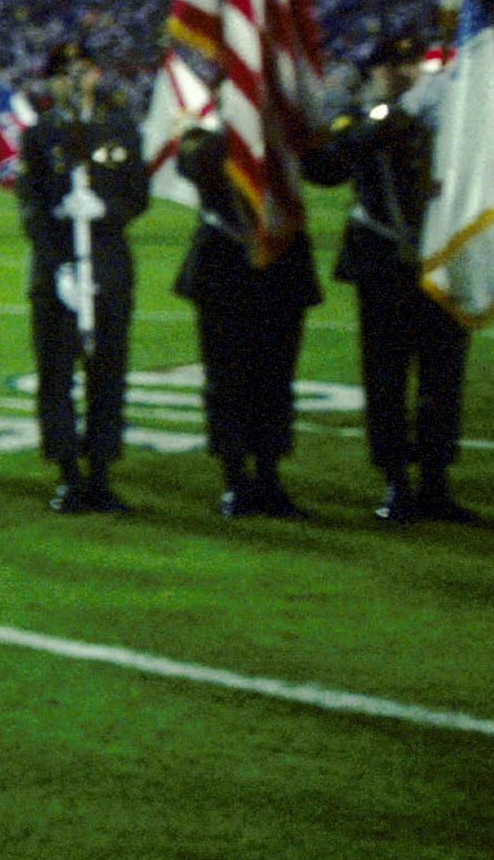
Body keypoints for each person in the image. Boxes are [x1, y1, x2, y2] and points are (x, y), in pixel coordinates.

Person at [301, 37, 473, 523]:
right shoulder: (362, 120)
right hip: (382, 261)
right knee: (386, 375)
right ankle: (395, 479)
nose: (398, 73)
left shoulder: (445, 115)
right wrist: (366, 123)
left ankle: (436, 480)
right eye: (386, 67)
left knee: (443, 373)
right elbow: (325, 169)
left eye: (405, 64)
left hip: (441, 254)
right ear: (373, 73)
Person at [16, 42, 149, 514]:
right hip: (56, 270)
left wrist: (106, 210)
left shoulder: (119, 128)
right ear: (51, 81)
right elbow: (29, 206)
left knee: (107, 374)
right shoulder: (38, 134)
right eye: (62, 72)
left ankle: (102, 472)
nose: (72, 79)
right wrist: (59, 263)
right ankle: (68, 472)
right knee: (55, 375)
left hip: (110, 266)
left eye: (81, 70)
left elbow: (138, 195)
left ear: (95, 74)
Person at [170, 123, 322, 518]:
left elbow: (321, 167)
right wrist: (239, 124)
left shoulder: (287, 122)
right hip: (223, 268)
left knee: (276, 378)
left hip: (282, 264)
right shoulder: (208, 136)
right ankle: (235, 479)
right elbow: (190, 165)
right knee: (226, 379)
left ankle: (270, 477)